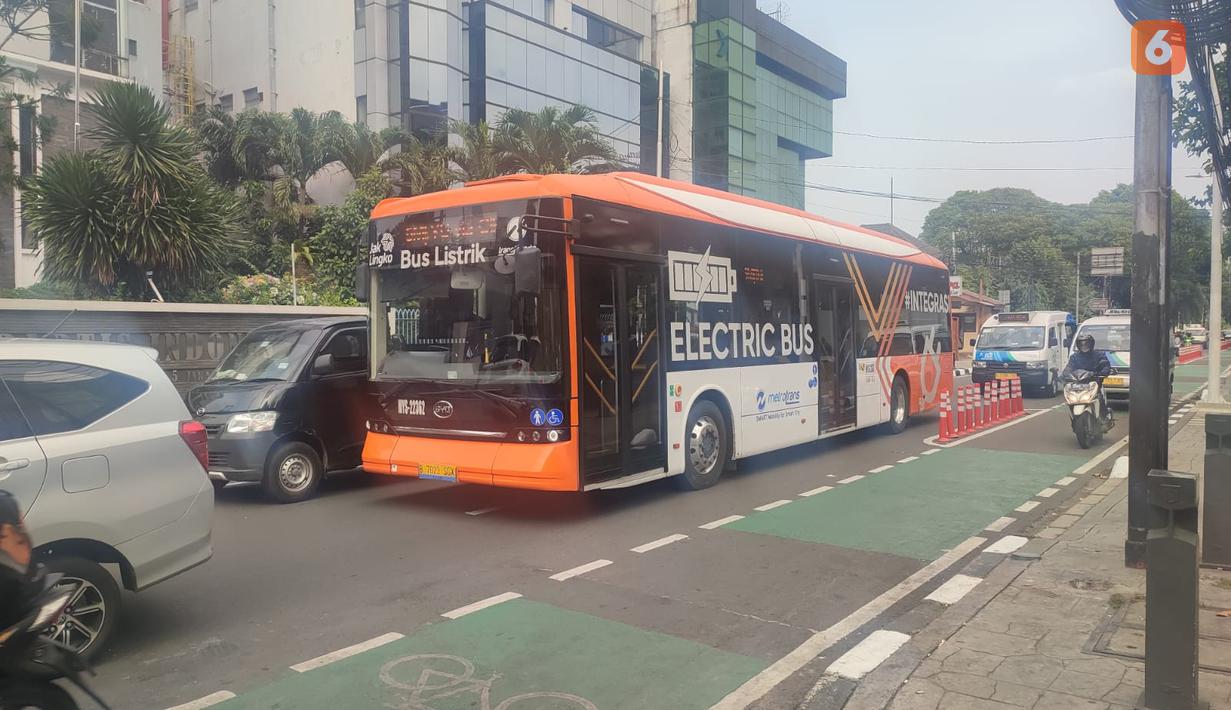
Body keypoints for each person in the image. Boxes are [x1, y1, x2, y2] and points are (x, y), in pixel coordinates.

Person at [1062, 333, 1113, 422]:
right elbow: (1069, 368)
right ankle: (1074, 418)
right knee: (1071, 400)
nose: (1084, 346)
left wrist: (1103, 372)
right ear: (1078, 345)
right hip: (1078, 384)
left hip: (1095, 382)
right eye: (1081, 344)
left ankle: (1104, 417)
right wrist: (1063, 375)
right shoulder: (1074, 357)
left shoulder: (1099, 355)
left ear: (1091, 344)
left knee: (1099, 397)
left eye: (1086, 343)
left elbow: (1105, 365)